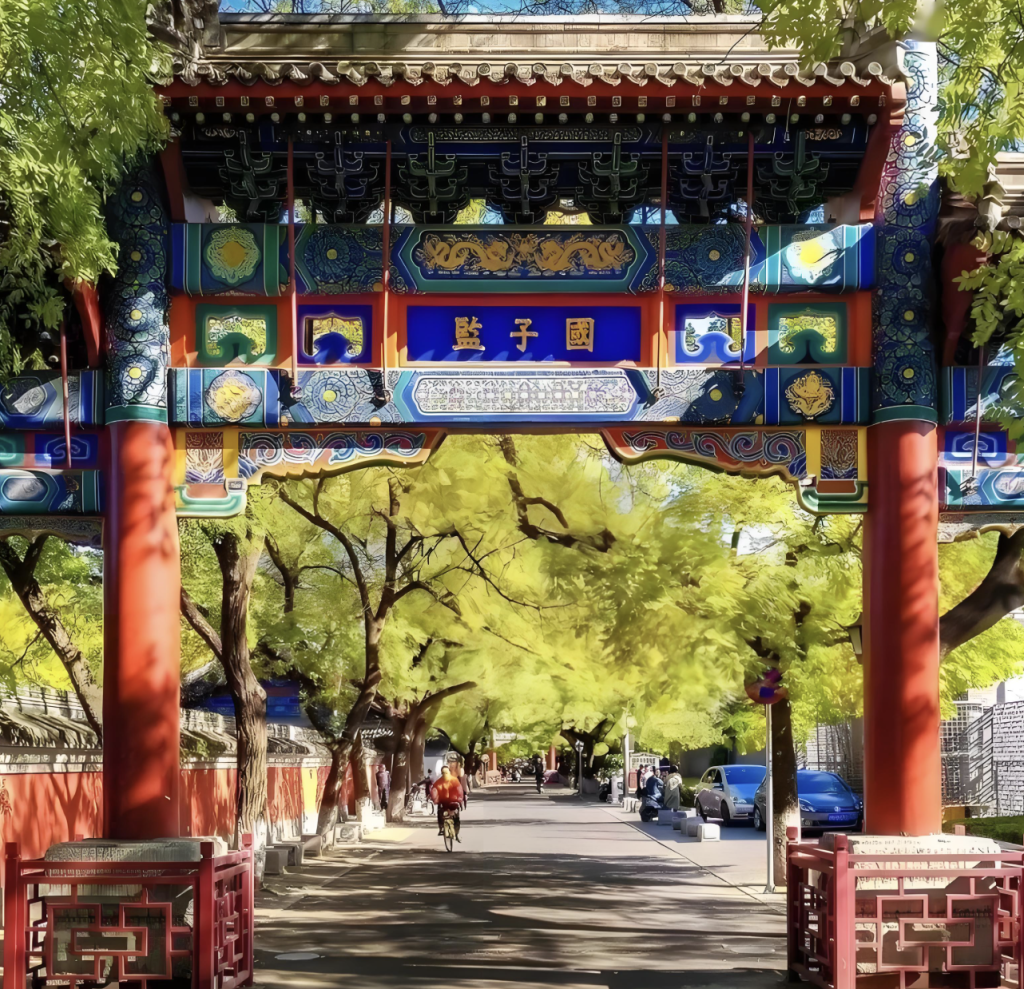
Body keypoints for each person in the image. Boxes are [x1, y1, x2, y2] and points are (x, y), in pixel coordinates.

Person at [430, 765, 465, 841]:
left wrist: (435, 800)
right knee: (455, 818)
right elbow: (460, 791)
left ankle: (441, 828)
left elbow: (434, 792)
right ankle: (456, 833)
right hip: (452, 802)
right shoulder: (454, 780)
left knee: (441, 814)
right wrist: (459, 799)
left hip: (444, 802)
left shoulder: (438, 782)